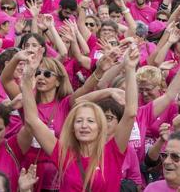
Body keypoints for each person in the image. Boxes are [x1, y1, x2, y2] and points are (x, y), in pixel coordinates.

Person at [21, 45, 139, 191]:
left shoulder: (113, 151)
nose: (84, 125)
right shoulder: (63, 154)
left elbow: (130, 113)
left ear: (100, 126)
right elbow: (32, 121)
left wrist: (130, 69)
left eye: (90, 121)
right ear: (72, 127)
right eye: (79, 121)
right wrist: (27, 79)